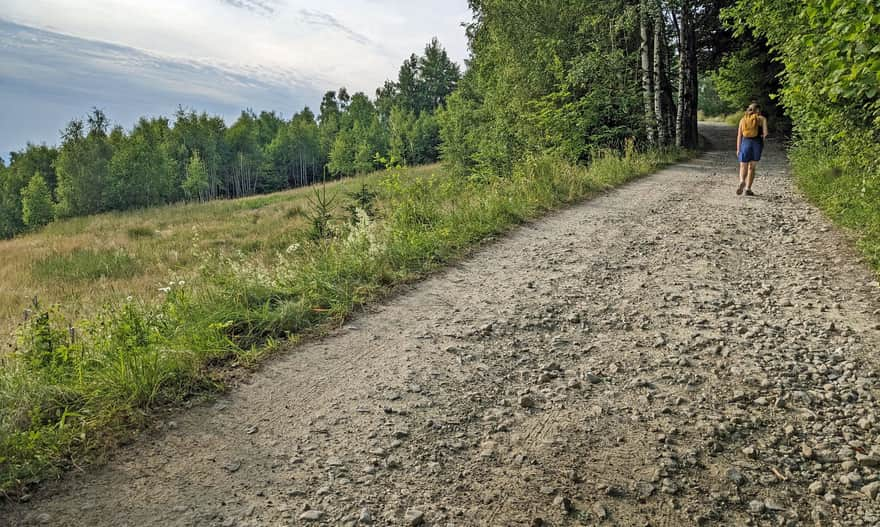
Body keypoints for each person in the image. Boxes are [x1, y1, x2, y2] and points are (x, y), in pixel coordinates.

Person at [736, 102, 769, 196]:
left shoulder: (743, 119)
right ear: (758, 110)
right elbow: (765, 134)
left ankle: (742, 180)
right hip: (757, 143)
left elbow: (739, 135)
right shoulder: (761, 119)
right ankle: (748, 189)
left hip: (745, 142)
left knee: (743, 165)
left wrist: (738, 148)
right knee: (752, 167)